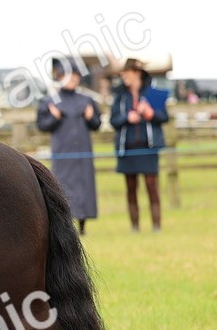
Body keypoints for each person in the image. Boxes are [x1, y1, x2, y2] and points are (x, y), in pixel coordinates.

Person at [35, 58, 101, 235]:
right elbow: (42, 125)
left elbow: (97, 124)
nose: (73, 79)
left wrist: (90, 116)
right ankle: (65, 224)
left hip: (83, 153)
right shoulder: (51, 100)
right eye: (69, 76)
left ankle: (83, 225)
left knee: (84, 186)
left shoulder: (87, 100)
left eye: (76, 76)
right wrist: (54, 117)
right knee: (62, 186)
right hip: (62, 153)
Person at [111, 58, 169, 232]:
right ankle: (134, 227)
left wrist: (151, 114)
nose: (124, 76)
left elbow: (164, 117)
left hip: (148, 147)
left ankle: (156, 226)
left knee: (152, 186)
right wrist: (126, 118)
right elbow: (113, 120)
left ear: (137, 73)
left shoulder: (152, 94)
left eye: (127, 73)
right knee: (131, 188)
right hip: (128, 148)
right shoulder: (120, 97)